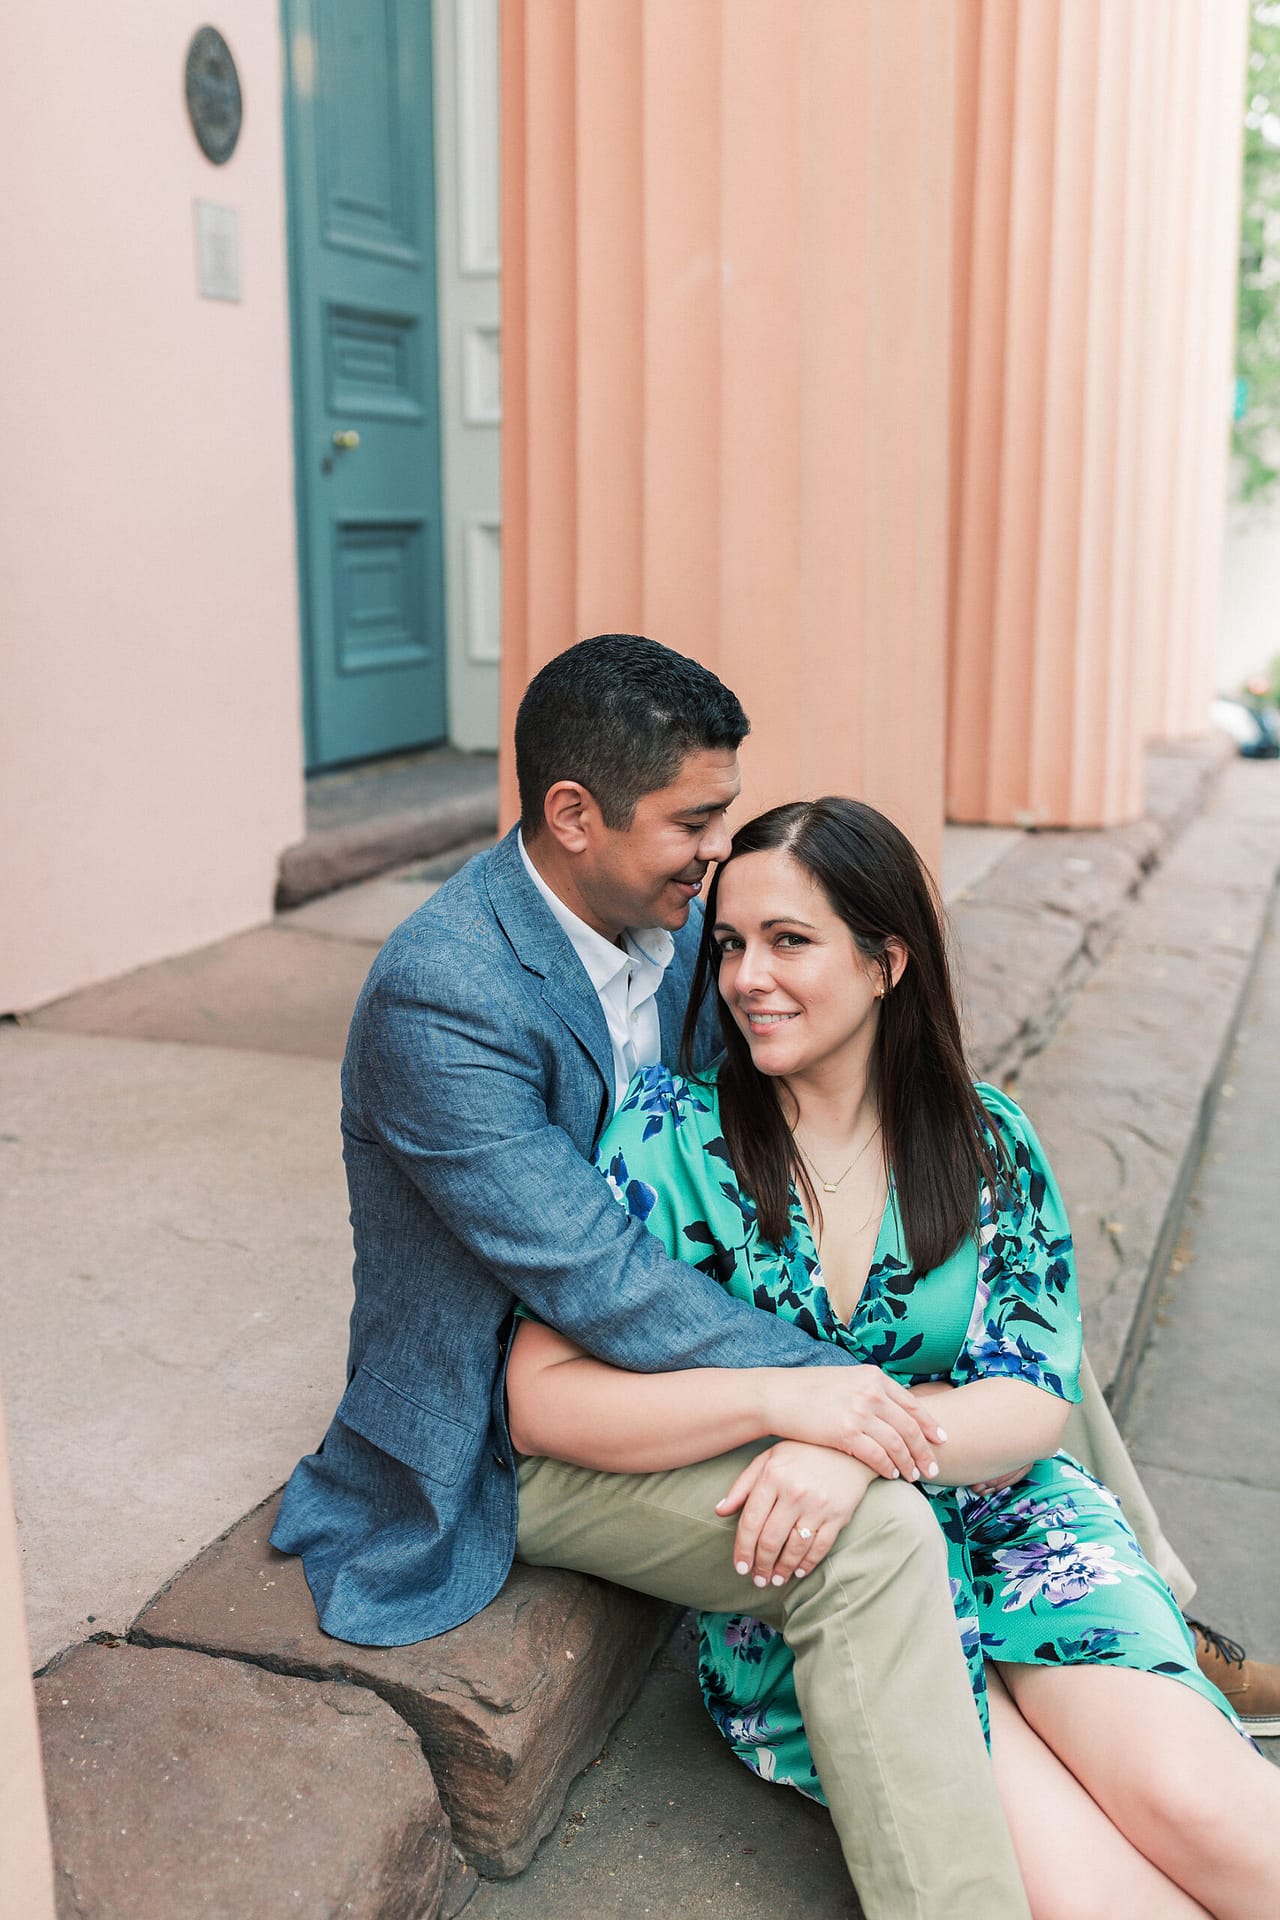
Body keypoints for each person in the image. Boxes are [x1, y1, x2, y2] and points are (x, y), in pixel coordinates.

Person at [506, 796, 1280, 1919]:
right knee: (1096, 1891)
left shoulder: (984, 1138)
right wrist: (790, 1407)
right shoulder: (667, 1142)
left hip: (1019, 1529)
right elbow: (542, 1403)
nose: (747, 978)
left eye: (789, 941)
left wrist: (857, 1447)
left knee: (1207, 1810)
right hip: (834, 1577)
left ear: (885, 963)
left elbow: (1030, 1397)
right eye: (730, 944)